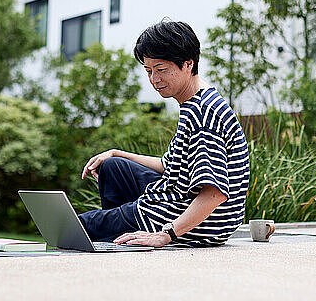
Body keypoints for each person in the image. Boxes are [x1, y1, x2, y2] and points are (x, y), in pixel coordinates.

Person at [78, 20, 249, 248]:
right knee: (113, 166)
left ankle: (128, 231)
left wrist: (166, 235)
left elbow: (214, 193)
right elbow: (168, 166)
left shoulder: (203, 114)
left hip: (195, 223)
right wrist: (116, 153)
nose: (154, 80)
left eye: (161, 70)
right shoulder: (198, 100)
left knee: (77, 226)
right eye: (148, 71)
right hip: (177, 198)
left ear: (188, 64)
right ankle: (123, 234)